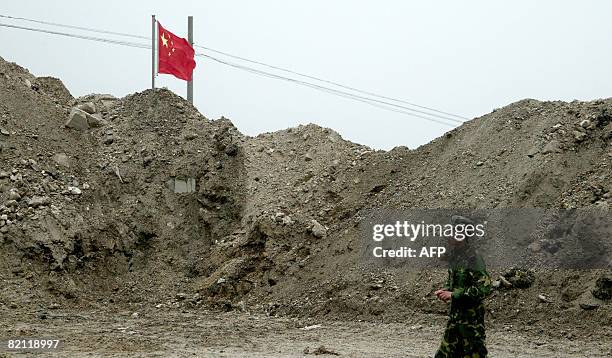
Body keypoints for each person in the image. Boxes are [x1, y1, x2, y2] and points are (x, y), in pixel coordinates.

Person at [433, 215, 492, 358]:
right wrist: (446, 290)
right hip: (455, 319)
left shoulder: (473, 258)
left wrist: (454, 294)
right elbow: (454, 281)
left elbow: (484, 289)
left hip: (471, 323)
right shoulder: (455, 256)